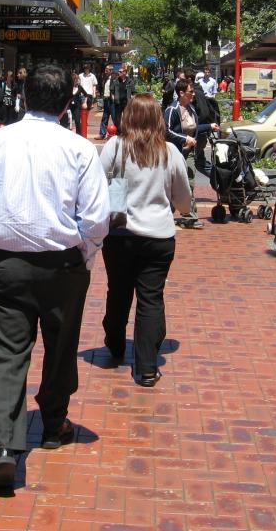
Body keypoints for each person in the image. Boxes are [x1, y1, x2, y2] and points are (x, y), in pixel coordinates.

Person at [0, 64, 110, 492]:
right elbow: (96, 218)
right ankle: (52, 422)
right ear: (68, 103)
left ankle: (5, 446)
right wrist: (84, 256)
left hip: (5, 264)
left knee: (4, 357)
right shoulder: (80, 149)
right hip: (62, 264)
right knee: (61, 348)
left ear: (24, 98)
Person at [100, 94, 190, 386]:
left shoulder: (115, 147)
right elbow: (185, 203)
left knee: (118, 291)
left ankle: (114, 344)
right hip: (159, 236)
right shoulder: (170, 152)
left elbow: (97, 186)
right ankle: (148, 367)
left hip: (120, 234)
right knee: (151, 298)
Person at [164, 79, 220, 229]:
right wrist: (185, 138)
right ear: (181, 93)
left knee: (189, 183)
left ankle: (190, 216)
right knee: (170, 185)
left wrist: (209, 126)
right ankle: (165, 214)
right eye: (191, 91)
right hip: (173, 153)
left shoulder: (191, 109)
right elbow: (167, 131)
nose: (193, 94)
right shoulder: (172, 110)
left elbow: (194, 128)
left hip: (187, 153)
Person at [111, 66, 134, 134]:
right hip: (118, 102)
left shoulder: (130, 81)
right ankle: (118, 132)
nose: (119, 73)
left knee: (126, 117)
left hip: (126, 102)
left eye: (120, 72)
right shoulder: (116, 80)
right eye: (119, 71)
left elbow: (133, 92)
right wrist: (113, 99)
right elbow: (112, 91)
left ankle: (126, 131)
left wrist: (131, 101)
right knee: (117, 118)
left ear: (125, 72)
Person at [98, 64, 115, 138]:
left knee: (115, 118)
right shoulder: (105, 78)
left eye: (107, 70)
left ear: (111, 70)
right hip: (106, 100)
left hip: (112, 101)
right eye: (105, 69)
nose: (105, 71)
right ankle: (102, 134)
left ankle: (119, 134)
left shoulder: (115, 78)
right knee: (104, 117)